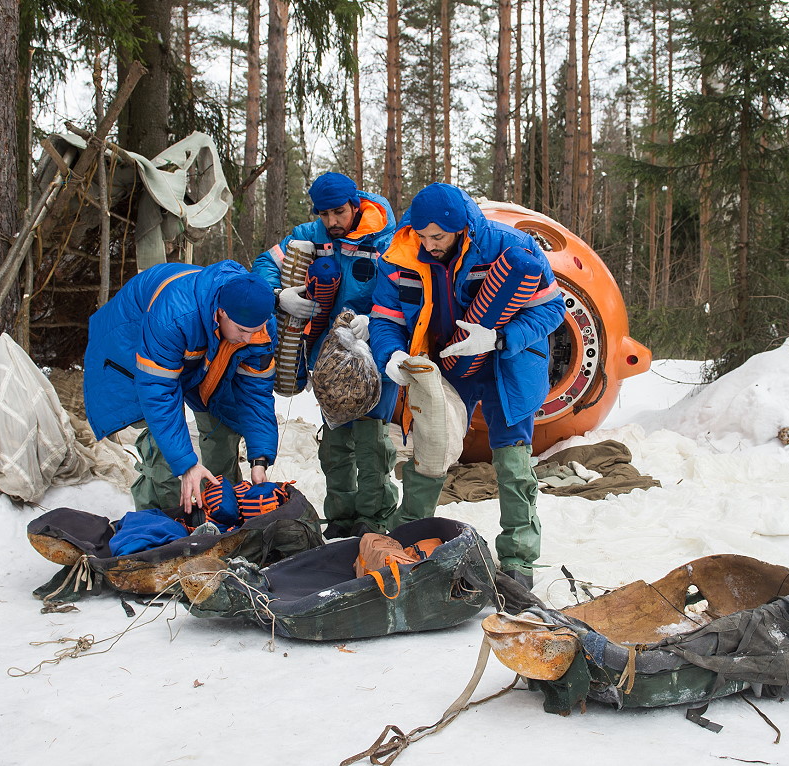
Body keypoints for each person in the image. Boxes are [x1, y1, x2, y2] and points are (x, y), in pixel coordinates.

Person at [368, 183, 567, 588]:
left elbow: (552, 309)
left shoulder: (511, 246)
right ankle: (407, 541)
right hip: (444, 363)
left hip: (506, 363)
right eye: (422, 236)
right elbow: (385, 316)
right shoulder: (399, 253)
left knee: (512, 460)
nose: (428, 244)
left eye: (437, 237)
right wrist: (390, 353)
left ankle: (517, 561)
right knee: (431, 448)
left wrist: (498, 339)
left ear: (461, 229)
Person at [253, 172, 400, 538]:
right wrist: (278, 294)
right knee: (335, 446)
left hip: (371, 354)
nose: (332, 222)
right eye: (324, 214)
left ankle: (374, 518)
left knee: (371, 444)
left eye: (338, 212)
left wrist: (377, 319)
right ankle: (341, 517)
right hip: (328, 361)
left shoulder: (385, 239)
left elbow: (406, 285)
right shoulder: (308, 237)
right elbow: (264, 263)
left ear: (355, 204)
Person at [84, 260, 279, 514]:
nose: (249, 338)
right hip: (132, 345)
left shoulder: (258, 326)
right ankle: (163, 521)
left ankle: (222, 511)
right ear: (221, 312)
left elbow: (256, 394)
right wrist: (186, 465)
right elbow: (158, 391)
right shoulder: (173, 316)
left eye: (256, 330)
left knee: (222, 424)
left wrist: (260, 458)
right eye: (243, 330)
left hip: (202, 350)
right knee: (164, 452)